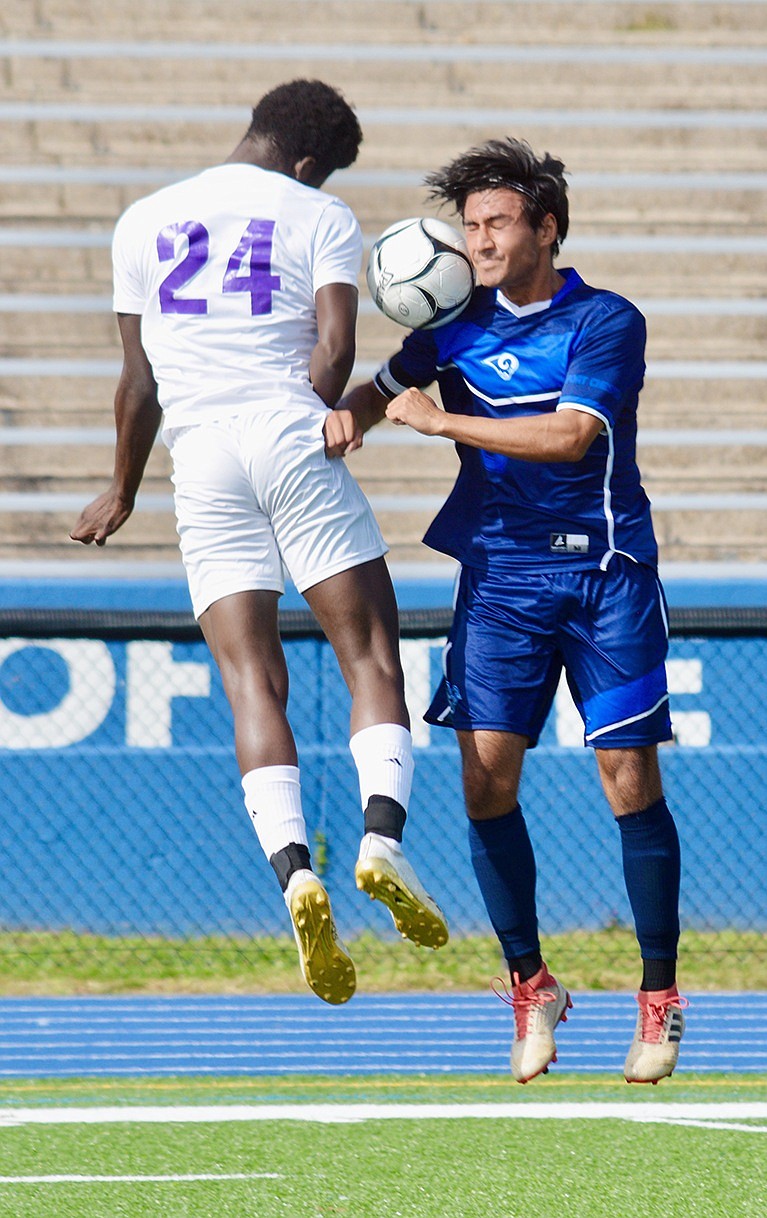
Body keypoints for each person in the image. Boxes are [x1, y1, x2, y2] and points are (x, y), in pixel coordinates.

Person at [70, 79, 448, 1007]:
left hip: (198, 459)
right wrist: (326, 414)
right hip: (286, 435)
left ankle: (293, 875)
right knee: (369, 660)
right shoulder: (320, 212)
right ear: (313, 162)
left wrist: (120, 487)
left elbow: (136, 384)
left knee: (252, 679)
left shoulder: (141, 220)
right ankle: (378, 843)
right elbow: (328, 356)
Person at [340, 137, 686, 1082]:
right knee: (486, 785)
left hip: (605, 574)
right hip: (500, 583)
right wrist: (347, 417)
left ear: (546, 228)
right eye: (469, 225)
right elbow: (376, 391)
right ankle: (531, 986)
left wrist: (439, 420)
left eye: (495, 223)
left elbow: (573, 436)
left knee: (626, 781)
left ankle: (658, 998)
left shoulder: (606, 321)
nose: (478, 240)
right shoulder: (449, 321)